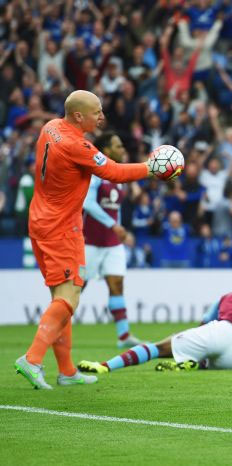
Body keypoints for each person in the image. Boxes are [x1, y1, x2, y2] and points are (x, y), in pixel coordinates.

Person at [14, 90, 176, 390]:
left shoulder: (49, 127)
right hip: (62, 228)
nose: (102, 116)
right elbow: (114, 172)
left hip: (40, 220)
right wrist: (151, 168)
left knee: (60, 298)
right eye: (97, 112)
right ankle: (33, 359)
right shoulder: (78, 145)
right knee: (70, 297)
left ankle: (66, 371)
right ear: (78, 116)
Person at [77, 278, 232, 373]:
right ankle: (195, 363)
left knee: (159, 348)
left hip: (223, 331)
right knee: (214, 360)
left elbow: (204, 323)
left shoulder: (231, 295)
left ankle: (106, 366)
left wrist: (189, 339)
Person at [82, 131, 144, 348]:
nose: (122, 150)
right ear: (106, 150)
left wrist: (121, 232)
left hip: (112, 243)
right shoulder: (96, 174)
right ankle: (57, 329)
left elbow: (114, 209)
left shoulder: (118, 176)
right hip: (89, 241)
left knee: (117, 284)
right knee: (77, 288)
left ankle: (124, 335)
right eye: (118, 146)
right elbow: (87, 204)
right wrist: (114, 226)